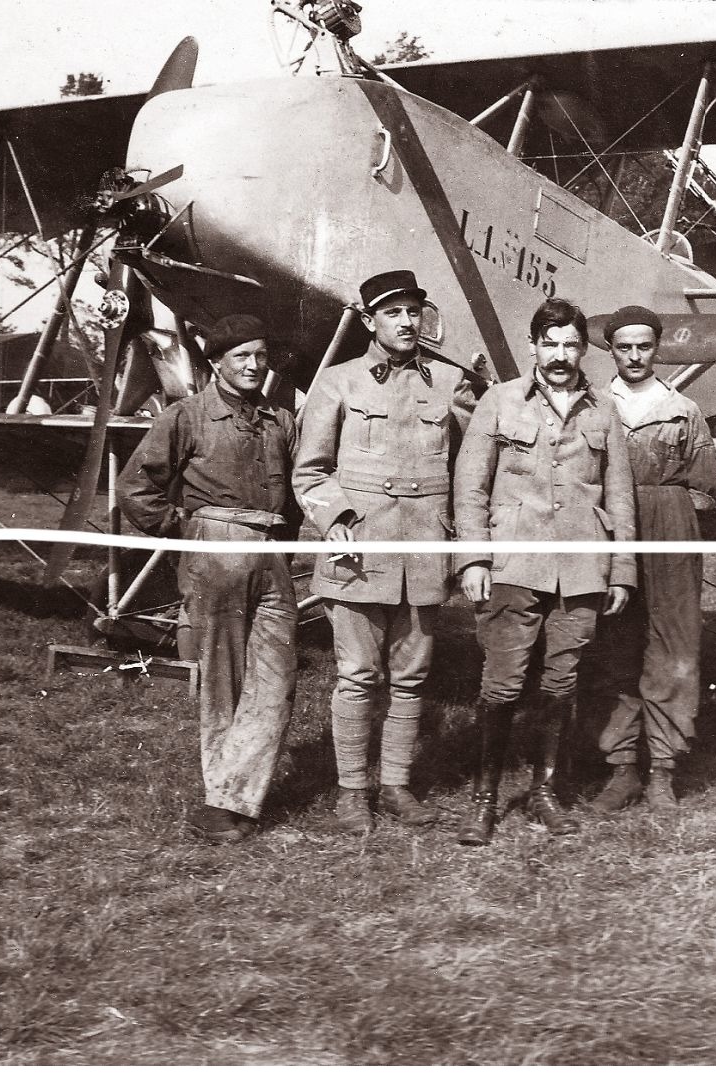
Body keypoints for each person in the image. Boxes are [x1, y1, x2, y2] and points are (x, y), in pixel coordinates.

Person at [292, 270, 478, 833]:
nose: (405, 322)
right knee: (358, 674)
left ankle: (395, 784)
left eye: (413, 312)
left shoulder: (451, 384)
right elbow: (310, 471)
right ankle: (353, 792)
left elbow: (474, 470)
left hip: (424, 550)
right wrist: (337, 518)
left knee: (412, 675)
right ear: (370, 321)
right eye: (392, 313)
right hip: (358, 551)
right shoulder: (339, 383)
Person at [453, 298, 637, 845]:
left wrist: (622, 570)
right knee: (503, 683)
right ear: (533, 345)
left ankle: (544, 792)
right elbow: (471, 488)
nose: (560, 356)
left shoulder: (603, 411)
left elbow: (621, 498)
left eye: (571, 345)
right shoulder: (499, 400)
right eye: (550, 344)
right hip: (514, 562)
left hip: (581, 568)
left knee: (561, 683)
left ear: (583, 350)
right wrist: (474, 558)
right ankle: (485, 802)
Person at [116, 313, 300, 844]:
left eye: (260, 356)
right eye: (241, 356)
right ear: (216, 362)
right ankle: (225, 805)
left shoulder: (280, 422)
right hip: (213, 552)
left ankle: (238, 795)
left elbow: (295, 490)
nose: (253, 365)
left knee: (276, 679)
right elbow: (137, 487)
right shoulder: (187, 417)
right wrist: (185, 530)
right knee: (223, 678)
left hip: (271, 555)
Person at [586, 305, 716, 814]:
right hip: (608, 527)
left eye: (644, 346)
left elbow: (705, 488)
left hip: (670, 527)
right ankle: (621, 768)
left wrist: (670, 516)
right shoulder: (594, 407)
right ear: (611, 350)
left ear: (657, 349)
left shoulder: (684, 410)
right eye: (625, 347)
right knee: (614, 639)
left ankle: (663, 767)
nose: (635, 356)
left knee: (673, 642)